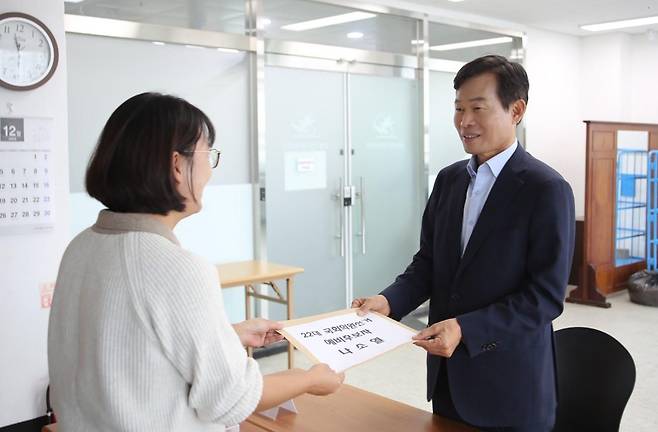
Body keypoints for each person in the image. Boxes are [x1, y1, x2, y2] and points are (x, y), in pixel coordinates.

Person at [48, 92, 344, 431]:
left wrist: (227, 335)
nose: (209, 172)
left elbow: (129, 352)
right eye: (208, 155)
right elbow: (230, 400)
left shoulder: (81, 247)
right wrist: (306, 379)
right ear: (177, 164)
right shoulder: (177, 267)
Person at [352, 55, 575, 431]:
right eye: (458, 108)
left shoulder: (546, 189)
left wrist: (466, 329)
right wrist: (389, 301)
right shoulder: (449, 180)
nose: (464, 121)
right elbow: (428, 263)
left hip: (510, 383)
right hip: (448, 377)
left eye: (477, 108)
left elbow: (545, 296)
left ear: (516, 110)